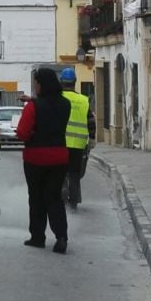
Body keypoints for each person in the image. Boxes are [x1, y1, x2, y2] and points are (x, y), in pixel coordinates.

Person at [16, 67, 72, 253]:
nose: (34, 87)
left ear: (40, 84)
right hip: (60, 156)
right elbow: (51, 107)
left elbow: (23, 133)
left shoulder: (33, 107)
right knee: (54, 198)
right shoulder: (66, 104)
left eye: (35, 83)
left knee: (37, 198)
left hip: (35, 159)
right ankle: (61, 236)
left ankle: (38, 237)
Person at [59, 67, 95, 210]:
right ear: (75, 81)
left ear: (61, 81)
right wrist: (91, 139)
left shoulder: (58, 98)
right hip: (78, 144)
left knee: (59, 171)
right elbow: (91, 122)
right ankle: (74, 201)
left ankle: (60, 196)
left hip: (60, 143)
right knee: (74, 173)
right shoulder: (83, 100)